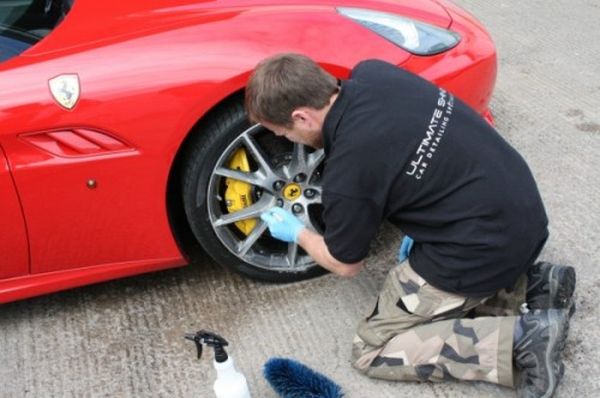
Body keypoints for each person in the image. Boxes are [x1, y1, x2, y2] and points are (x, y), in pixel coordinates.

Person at [245, 53, 576, 397]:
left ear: (302, 116)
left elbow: (345, 263)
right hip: (522, 211)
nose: (286, 139)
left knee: (374, 350)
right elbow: (408, 154)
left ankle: (523, 340)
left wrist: (297, 231)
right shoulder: (375, 74)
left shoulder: (347, 172)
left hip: (483, 247)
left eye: (283, 131)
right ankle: (538, 285)